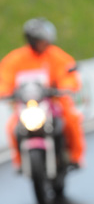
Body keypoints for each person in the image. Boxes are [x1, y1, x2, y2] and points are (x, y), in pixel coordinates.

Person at [0, 18, 86, 169]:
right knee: (13, 127)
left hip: (52, 102)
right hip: (28, 104)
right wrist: (4, 91)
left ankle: (76, 157)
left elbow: (67, 74)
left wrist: (65, 86)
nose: (45, 44)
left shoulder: (55, 55)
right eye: (41, 41)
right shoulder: (16, 58)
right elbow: (4, 78)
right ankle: (20, 162)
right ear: (32, 40)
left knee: (71, 119)